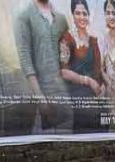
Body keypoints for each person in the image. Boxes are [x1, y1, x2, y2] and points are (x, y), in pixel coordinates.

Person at [13, 0, 72, 131]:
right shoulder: (24, 16)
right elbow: (25, 58)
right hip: (43, 96)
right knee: (44, 142)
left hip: (65, 94)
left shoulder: (61, 19)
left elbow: (68, 56)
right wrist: (40, 97)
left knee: (69, 141)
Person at [59, 0, 104, 132]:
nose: (82, 17)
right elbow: (63, 71)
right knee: (87, 118)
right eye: (78, 13)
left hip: (95, 91)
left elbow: (98, 69)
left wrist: (101, 87)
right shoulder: (67, 39)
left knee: (103, 115)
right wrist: (88, 81)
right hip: (76, 91)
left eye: (84, 13)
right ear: (72, 15)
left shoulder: (93, 40)